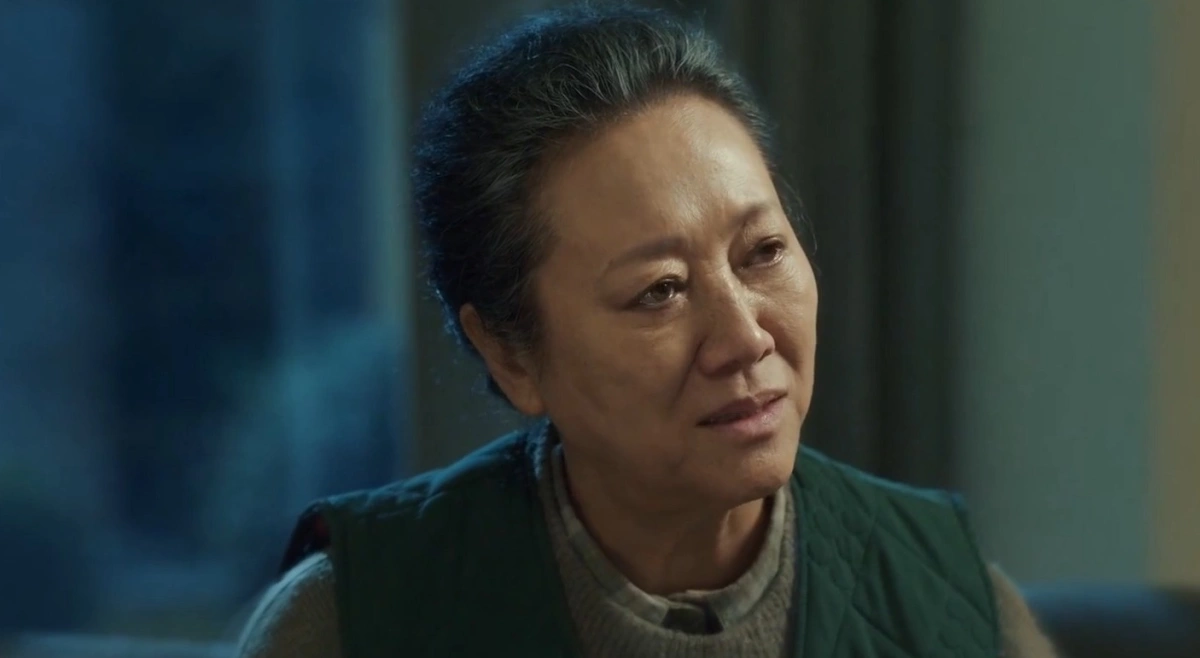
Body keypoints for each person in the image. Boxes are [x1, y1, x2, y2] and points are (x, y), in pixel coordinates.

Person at [235, 5, 1057, 657]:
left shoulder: (957, 608)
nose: (744, 338)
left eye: (763, 252)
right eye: (660, 291)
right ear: (511, 354)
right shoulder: (353, 621)